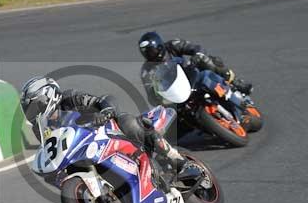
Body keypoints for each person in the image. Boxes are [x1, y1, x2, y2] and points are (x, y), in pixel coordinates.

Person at [20, 76, 189, 174]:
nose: (33, 112)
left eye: (34, 106)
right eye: (28, 109)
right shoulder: (40, 128)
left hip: (106, 132)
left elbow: (101, 100)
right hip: (81, 154)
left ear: (48, 96)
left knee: (127, 122)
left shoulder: (70, 99)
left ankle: (173, 157)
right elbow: (51, 152)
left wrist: (105, 112)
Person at [138, 31, 253, 100]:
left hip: (191, 74)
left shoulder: (172, 45)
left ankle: (235, 82)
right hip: (175, 93)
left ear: (159, 46)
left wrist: (197, 54)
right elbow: (150, 94)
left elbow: (196, 48)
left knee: (207, 60)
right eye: (146, 52)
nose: (149, 55)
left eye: (151, 51)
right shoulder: (146, 70)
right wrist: (156, 94)